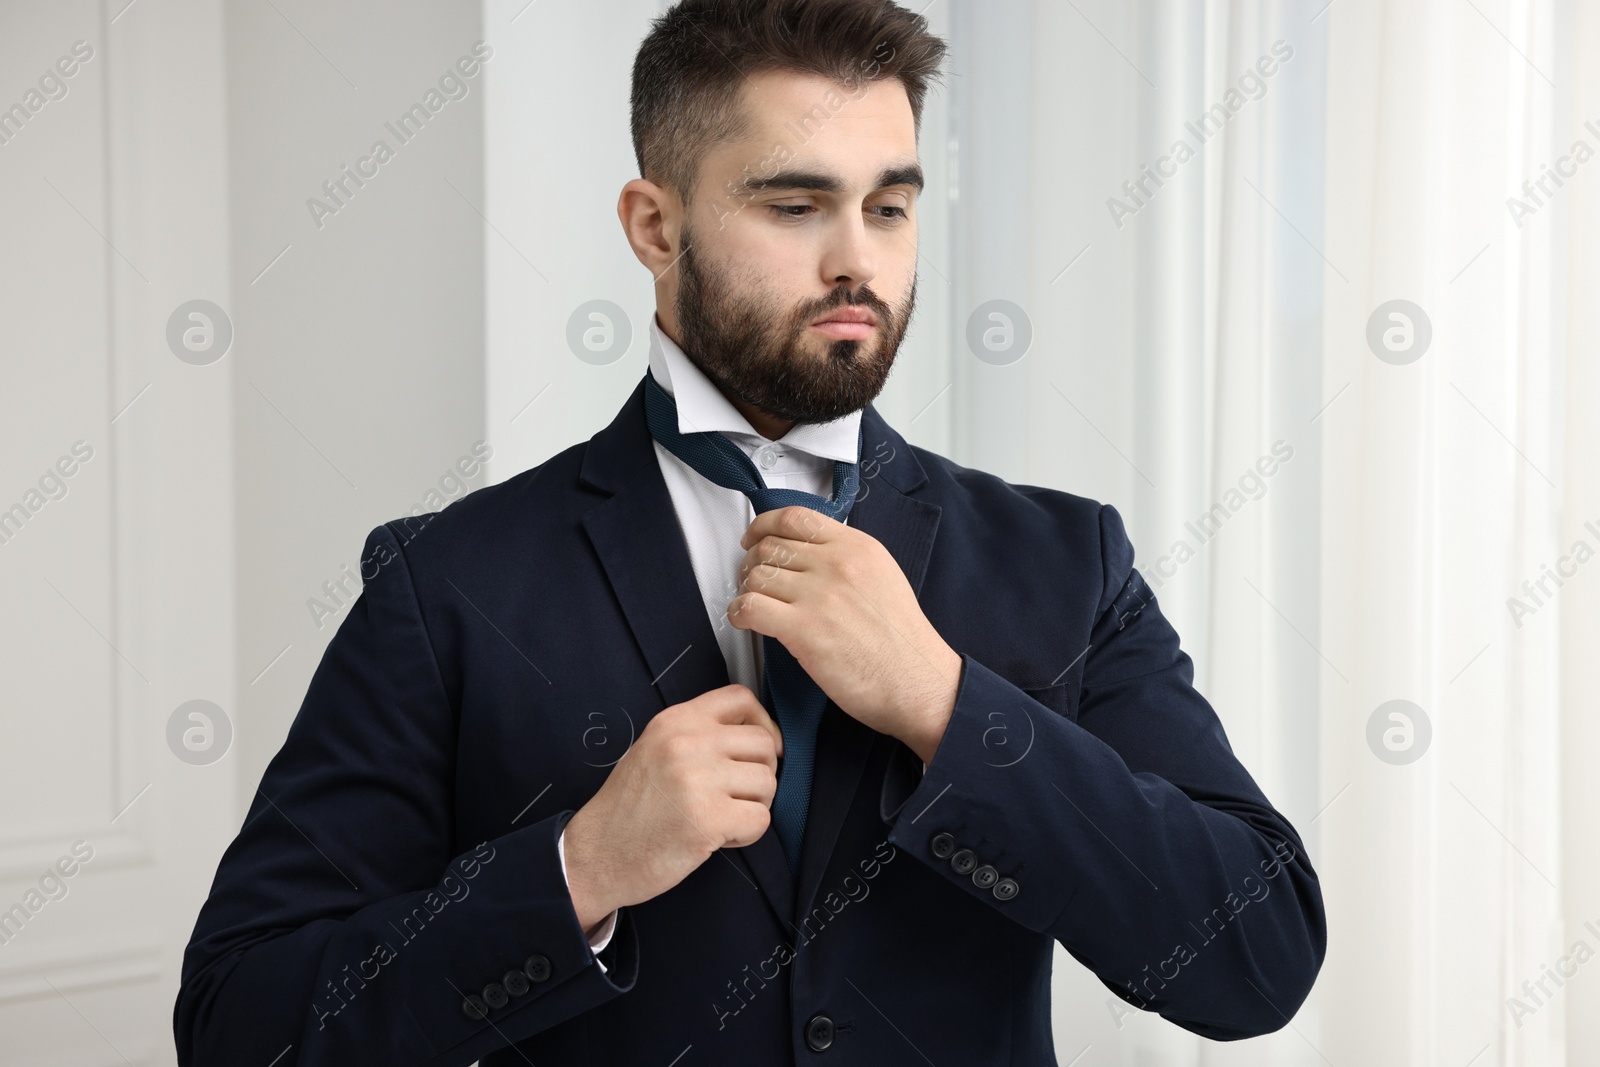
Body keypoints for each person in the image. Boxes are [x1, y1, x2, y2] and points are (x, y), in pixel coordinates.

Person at [175, 1, 1325, 1063]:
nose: (856, 261)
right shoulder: (448, 585)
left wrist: (943, 702)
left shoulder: (1067, 563)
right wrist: (578, 868)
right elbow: (243, 1020)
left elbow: (1254, 955)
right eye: (793, 205)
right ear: (651, 224)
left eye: (889, 206)